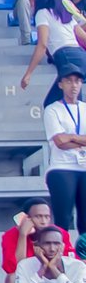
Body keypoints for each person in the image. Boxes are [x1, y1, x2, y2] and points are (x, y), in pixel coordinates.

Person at [44, 68, 86, 234]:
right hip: (62, 167)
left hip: (84, 167)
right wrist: (81, 140)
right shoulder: (53, 109)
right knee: (63, 219)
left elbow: (65, 139)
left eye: (77, 81)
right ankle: (61, 249)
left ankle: (82, 250)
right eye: (69, 81)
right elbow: (60, 141)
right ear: (61, 84)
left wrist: (71, 137)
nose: (73, 85)